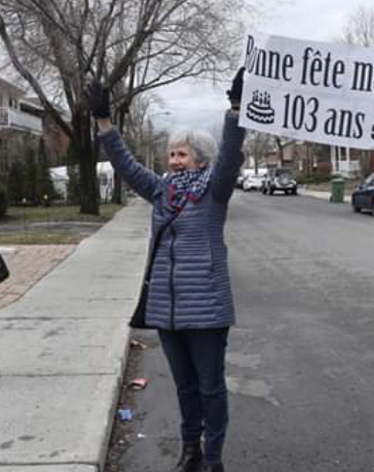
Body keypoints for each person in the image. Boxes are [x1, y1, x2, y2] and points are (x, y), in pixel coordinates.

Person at [89, 69, 246, 472]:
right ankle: (189, 451)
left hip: (207, 310)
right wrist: (104, 121)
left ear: (200, 159)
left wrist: (235, 112)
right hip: (167, 310)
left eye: (181, 154)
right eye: (171, 154)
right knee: (185, 388)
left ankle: (213, 459)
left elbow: (230, 158)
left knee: (211, 388)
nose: (173, 161)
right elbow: (124, 164)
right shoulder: (161, 191)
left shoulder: (214, 191)